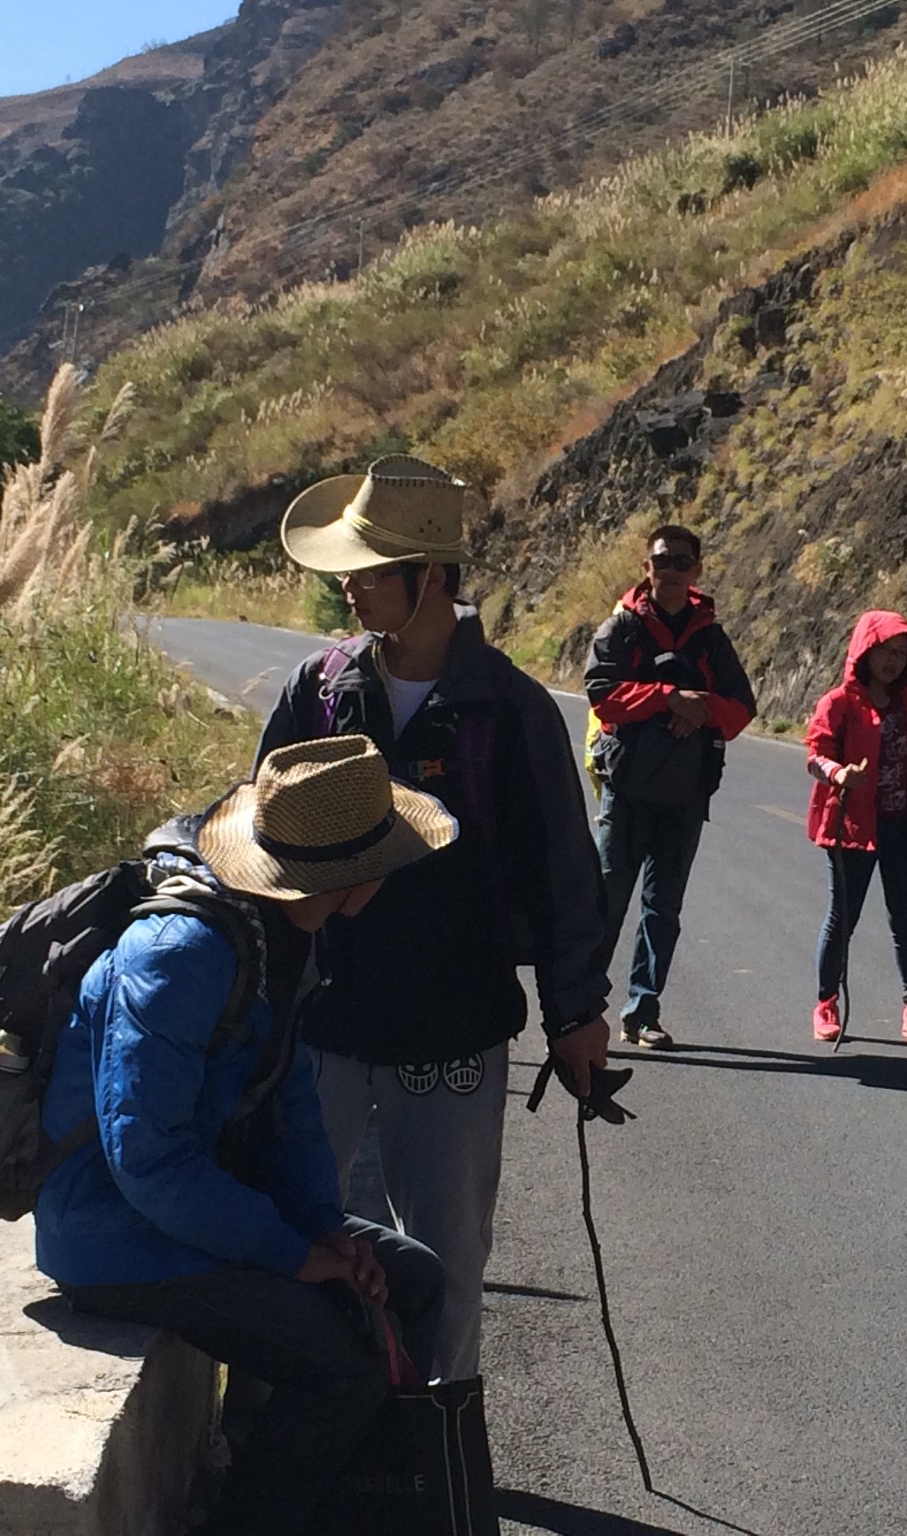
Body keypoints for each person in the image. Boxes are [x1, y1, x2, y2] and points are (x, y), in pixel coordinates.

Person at [36, 736, 458, 1536]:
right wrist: (295, 1256)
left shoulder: (275, 936)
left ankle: (354, 1505)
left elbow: (287, 1102)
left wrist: (326, 1229)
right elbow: (146, 1160)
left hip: (191, 1211)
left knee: (413, 1280)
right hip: (114, 1235)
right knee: (342, 1365)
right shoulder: (183, 953)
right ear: (354, 875)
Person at [259, 454, 612, 1382]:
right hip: (325, 1020)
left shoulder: (511, 710)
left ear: (435, 579)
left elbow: (565, 874)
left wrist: (578, 1013)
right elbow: (262, 838)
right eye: (351, 569)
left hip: (453, 1023)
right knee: (297, 1230)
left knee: (448, 1254)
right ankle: (308, 1431)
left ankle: (442, 1445)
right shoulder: (318, 691)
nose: (349, 587)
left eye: (370, 572)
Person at [584, 524, 757, 1048]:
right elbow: (601, 694)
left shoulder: (710, 636)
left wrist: (698, 708)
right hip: (628, 790)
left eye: (683, 562)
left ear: (697, 570)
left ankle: (642, 1012)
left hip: (684, 796)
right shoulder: (622, 628)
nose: (672, 571)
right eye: (663, 561)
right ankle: (581, 1009)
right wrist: (666, 699)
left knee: (663, 910)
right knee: (607, 903)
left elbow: (742, 708)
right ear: (648, 567)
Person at [803, 610, 907, 1043]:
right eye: (884, 652)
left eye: (900, 653)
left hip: (903, 826)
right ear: (865, 652)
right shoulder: (838, 702)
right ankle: (826, 1002)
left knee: (906, 921)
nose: (892, 662)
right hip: (852, 827)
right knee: (842, 920)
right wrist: (840, 775)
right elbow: (815, 755)